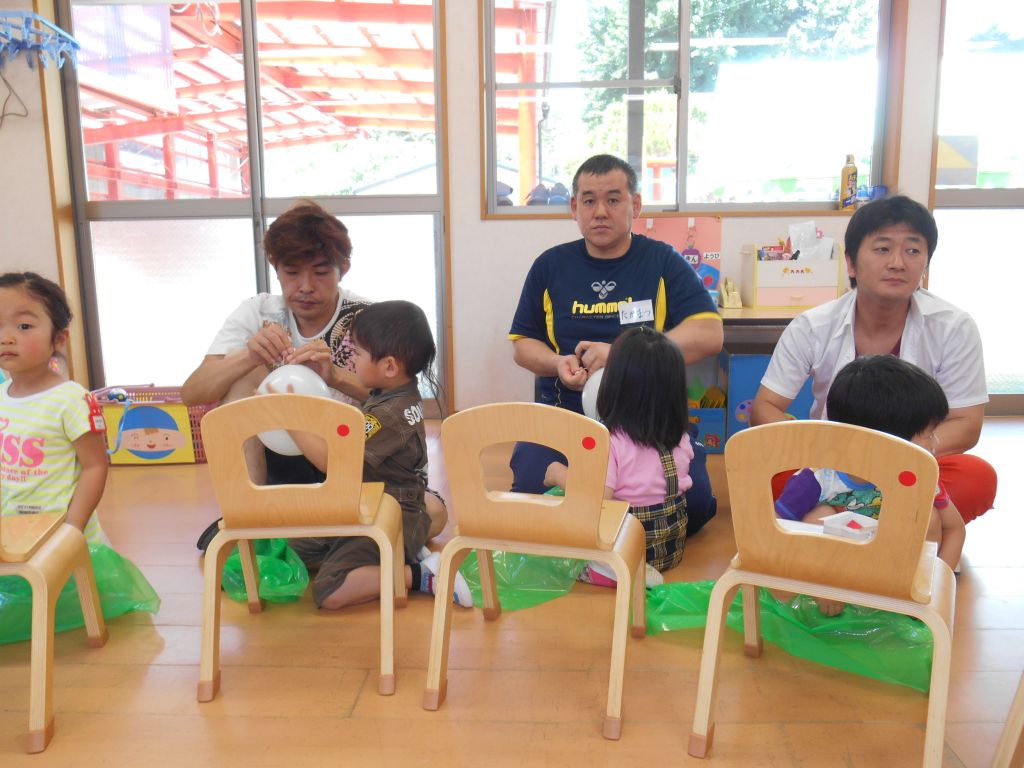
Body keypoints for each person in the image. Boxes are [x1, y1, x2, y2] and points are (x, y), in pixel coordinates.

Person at [182, 201, 447, 541]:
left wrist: (334, 376)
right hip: (277, 465)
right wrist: (249, 356)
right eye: (292, 273)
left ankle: (296, 531)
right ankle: (251, 513)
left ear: (343, 269)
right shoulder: (256, 313)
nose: (306, 286)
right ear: (276, 269)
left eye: (321, 273)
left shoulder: (367, 321)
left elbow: (401, 398)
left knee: (434, 513)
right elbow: (193, 393)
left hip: (350, 464)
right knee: (241, 378)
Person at [508, 154, 724, 533]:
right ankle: (619, 514)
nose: (600, 212)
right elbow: (523, 344)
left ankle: (600, 513)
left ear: (635, 205)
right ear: (574, 207)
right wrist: (557, 362)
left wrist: (624, 354)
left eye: (613, 199)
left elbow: (709, 333)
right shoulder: (549, 266)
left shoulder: (663, 262)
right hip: (567, 416)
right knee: (529, 487)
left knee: (695, 505)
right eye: (589, 200)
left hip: (647, 420)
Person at [751, 194, 996, 524]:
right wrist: (819, 449)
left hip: (912, 465)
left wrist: (899, 454)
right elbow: (764, 407)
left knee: (977, 477)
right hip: (833, 466)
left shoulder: (954, 327)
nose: (898, 262)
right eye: (882, 249)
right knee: (773, 475)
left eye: (913, 250)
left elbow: (967, 424)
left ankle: (847, 520)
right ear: (851, 263)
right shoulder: (812, 325)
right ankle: (895, 523)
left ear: (926, 263)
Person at [279, 301, 472, 610]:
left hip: (391, 513)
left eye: (357, 354)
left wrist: (289, 418)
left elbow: (334, 463)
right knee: (289, 550)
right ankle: (397, 552)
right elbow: (365, 401)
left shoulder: (389, 416)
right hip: (372, 504)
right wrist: (330, 380)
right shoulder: (397, 394)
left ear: (390, 367)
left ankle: (421, 575)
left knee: (330, 590)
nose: (350, 361)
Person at [0, 272, 158, 604]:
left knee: (72, 602)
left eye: (24, 326)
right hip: (13, 533)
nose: (6, 337)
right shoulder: (3, 396)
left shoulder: (71, 399)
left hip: (60, 529)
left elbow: (95, 466)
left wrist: (73, 526)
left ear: (59, 339)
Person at [774, 356, 966, 616]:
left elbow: (954, 528)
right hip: (831, 576)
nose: (936, 442)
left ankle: (912, 590)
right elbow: (774, 531)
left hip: (891, 575)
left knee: (930, 517)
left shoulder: (918, 477)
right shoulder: (818, 479)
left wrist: (938, 583)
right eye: (929, 434)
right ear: (887, 442)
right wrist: (817, 582)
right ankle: (827, 592)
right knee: (819, 516)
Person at [543, 327, 693, 588]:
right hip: (668, 550)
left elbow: (595, 496)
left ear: (613, 386)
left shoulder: (612, 442)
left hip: (622, 548)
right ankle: (641, 568)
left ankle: (614, 571)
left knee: (558, 535)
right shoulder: (679, 436)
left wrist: (558, 474)